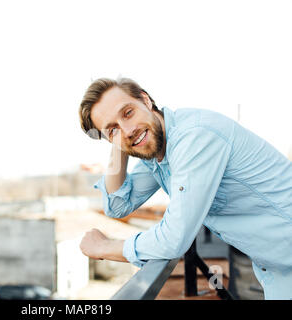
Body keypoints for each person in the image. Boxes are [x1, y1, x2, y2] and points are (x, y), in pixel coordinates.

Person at [78, 77, 292, 299]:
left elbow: (174, 238)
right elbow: (117, 205)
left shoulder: (194, 137)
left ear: (145, 100)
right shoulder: (158, 152)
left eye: (128, 112)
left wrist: (106, 247)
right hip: (278, 270)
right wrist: (119, 140)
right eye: (112, 129)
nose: (128, 129)